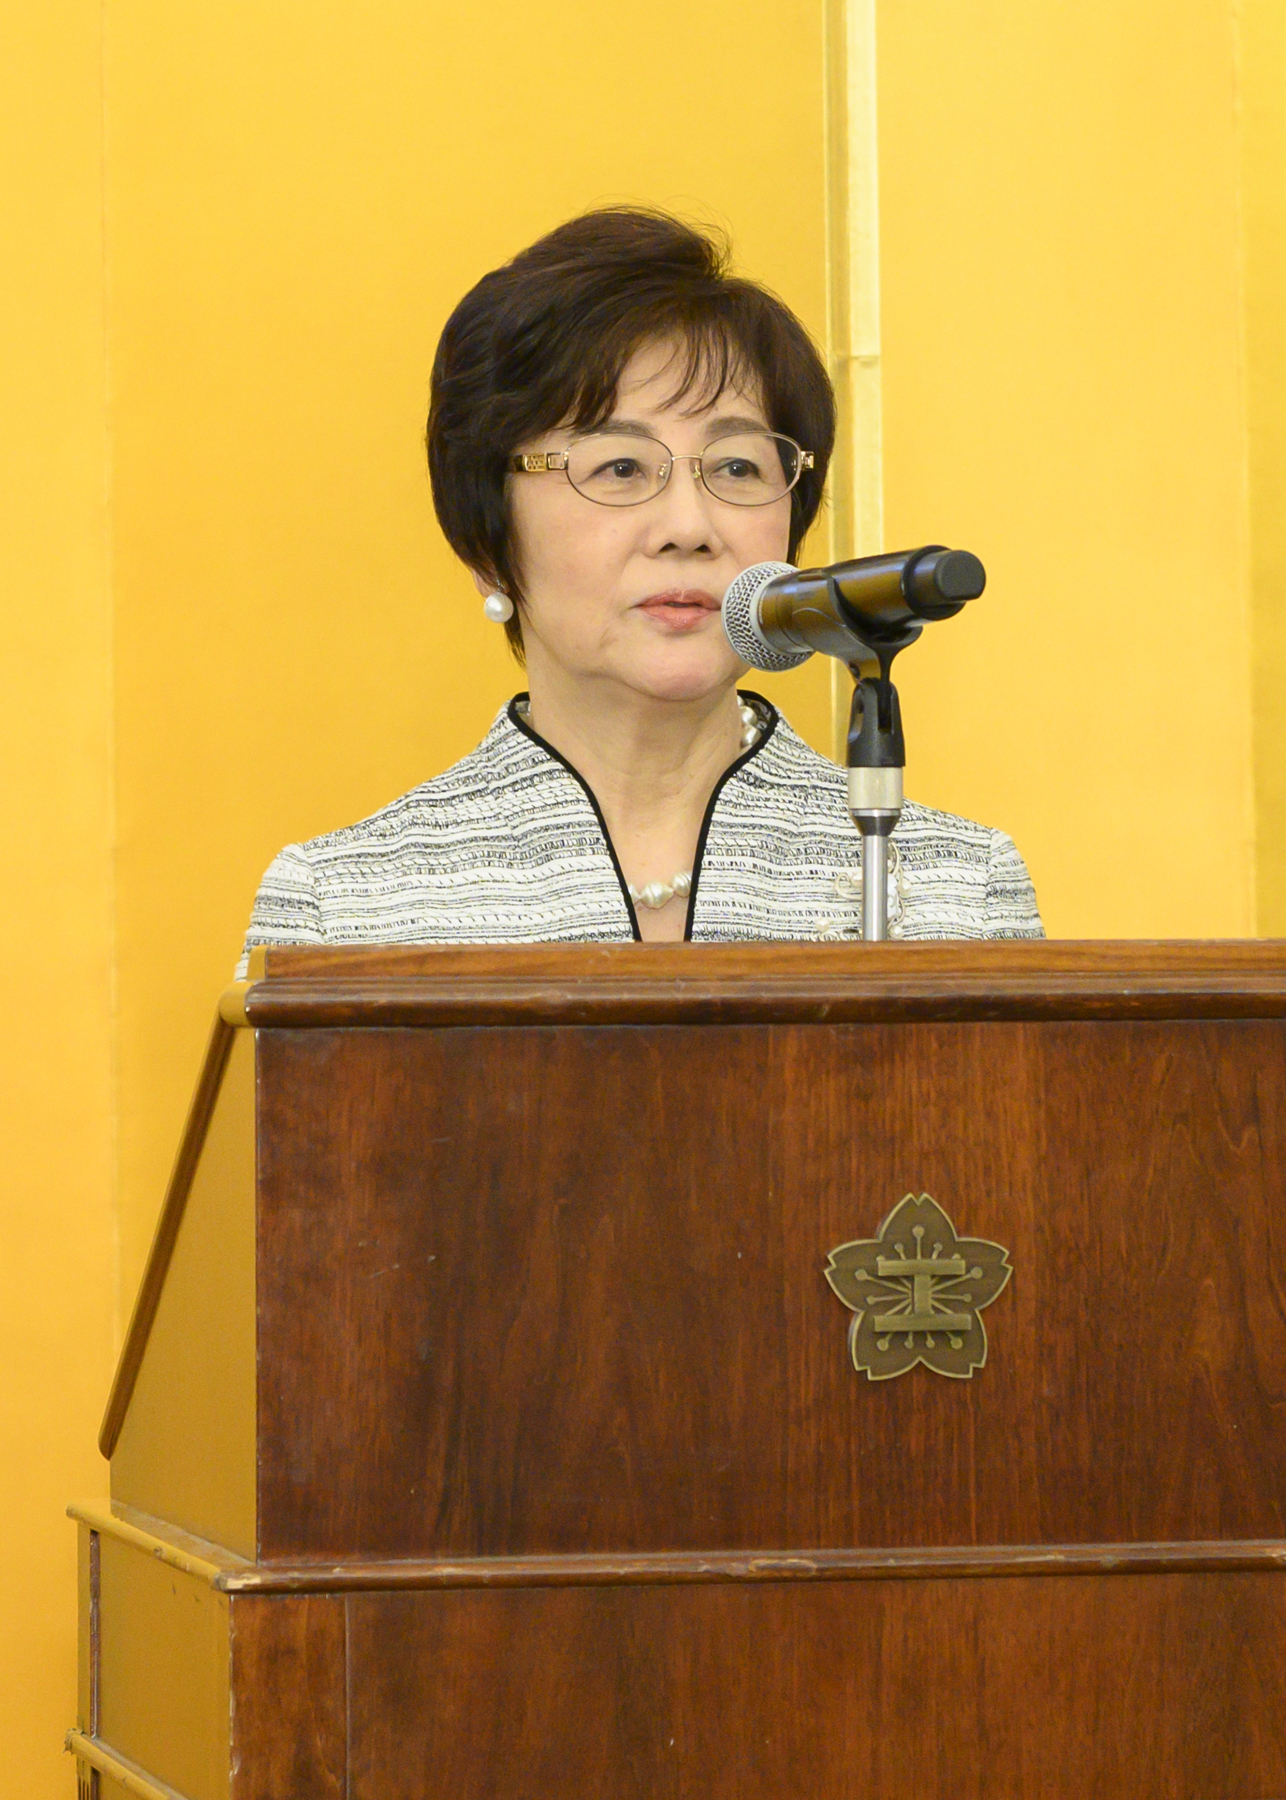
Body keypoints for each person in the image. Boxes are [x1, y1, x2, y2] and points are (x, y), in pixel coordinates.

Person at [240, 208, 1041, 962]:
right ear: (489, 539)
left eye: (738, 466)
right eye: (620, 466)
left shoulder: (957, 891)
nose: (688, 526)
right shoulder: (345, 910)